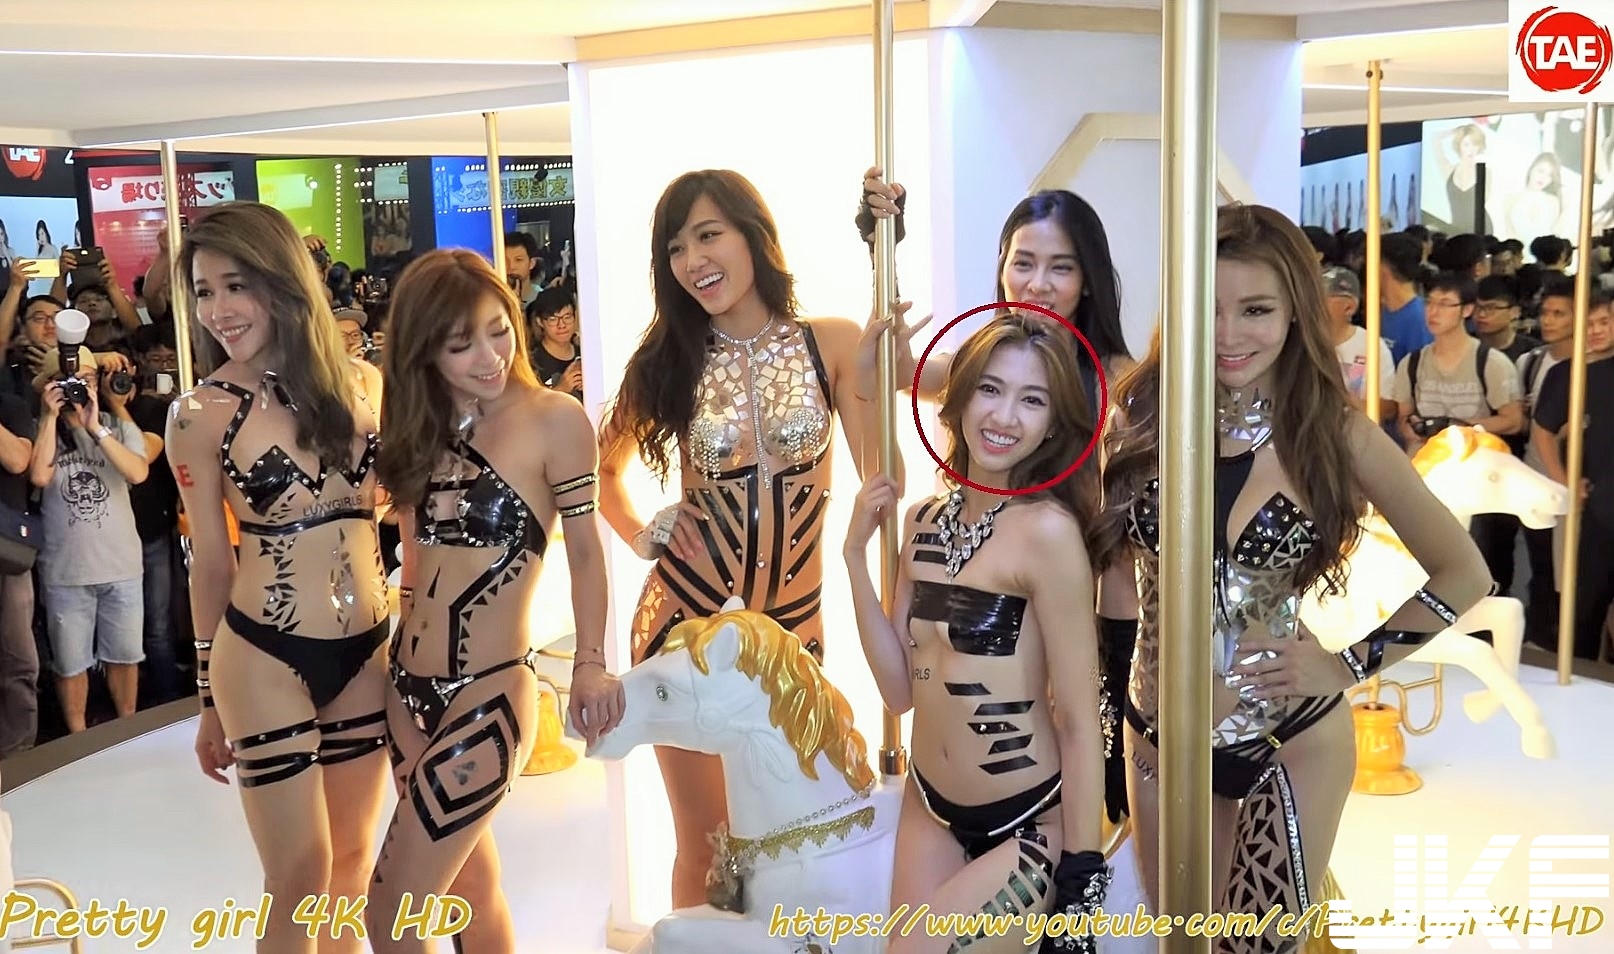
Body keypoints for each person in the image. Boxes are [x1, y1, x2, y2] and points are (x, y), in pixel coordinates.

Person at [1093, 204, 1492, 952]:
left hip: (1288, 737)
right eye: (1209, 307)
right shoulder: (1140, 418)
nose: (1227, 333)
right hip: (1156, 735)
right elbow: (1115, 581)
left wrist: (1348, 665)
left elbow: (1466, 572)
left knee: (1253, 948)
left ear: (1295, 313)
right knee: (1180, 941)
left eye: (1255, 310)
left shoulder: (1334, 434)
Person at [598, 169, 881, 908]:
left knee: (788, 841)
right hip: (685, 629)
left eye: (708, 235)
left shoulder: (830, 343)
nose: (692, 260)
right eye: (675, 248)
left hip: (792, 633)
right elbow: (602, 472)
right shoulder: (668, 361)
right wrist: (643, 533)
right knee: (708, 845)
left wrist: (882, 254)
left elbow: (883, 474)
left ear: (753, 234)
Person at [859, 169, 1139, 825]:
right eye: (1023, 263)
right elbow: (898, 369)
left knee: (1084, 822)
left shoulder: (1120, 386)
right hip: (990, 632)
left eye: (1060, 267)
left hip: (1082, 636)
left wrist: (1115, 683)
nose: (1037, 284)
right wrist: (884, 243)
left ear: (1088, 280)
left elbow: (1125, 560)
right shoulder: (984, 364)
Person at [367, 248, 622, 950]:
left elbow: (587, 554)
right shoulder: (421, 427)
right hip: (404, 689)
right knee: (471, 893)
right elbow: (413, 558)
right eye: (461, 344)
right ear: (423, 350)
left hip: (488, 696)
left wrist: (592, 663)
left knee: (391, 916)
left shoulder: (554, 419)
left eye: (498, 330)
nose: (489, 356)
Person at [844, 313, 1110, 953]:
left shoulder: (1048, 534)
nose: (1005, 416)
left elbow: (1079, 721)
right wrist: (853, 556)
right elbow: (899, 692)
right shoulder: (922, 521)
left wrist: (1081, 877)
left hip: (1028, 821)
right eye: (990, 389)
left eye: (1032, 400)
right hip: (929, 805)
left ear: (1053, 425)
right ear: (960, 397)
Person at [166, 201, 389, 954]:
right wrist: (207, 698)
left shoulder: (365, 384)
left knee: (352, 864)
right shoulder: (197, 413)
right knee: (299, 874)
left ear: (283, 281)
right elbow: (211, 562)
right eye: (205, 292)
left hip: (367, 649)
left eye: (237, 286)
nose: (219, 310)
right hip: (262, 655)